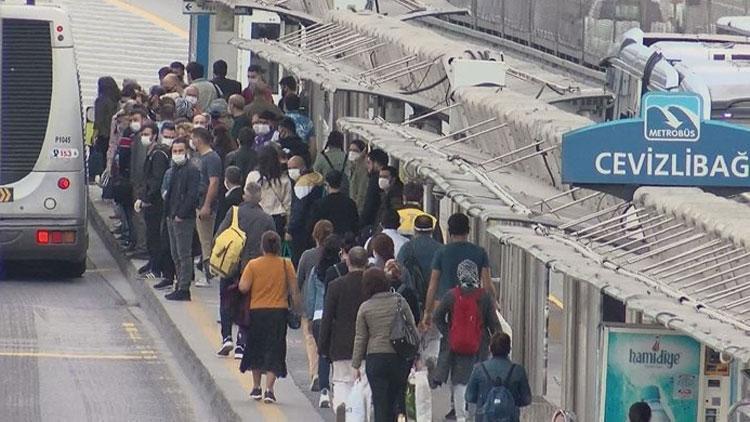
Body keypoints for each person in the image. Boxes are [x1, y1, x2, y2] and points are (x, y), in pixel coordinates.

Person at [238, 230, 303, 404]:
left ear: (262, 246)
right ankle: (269, 390)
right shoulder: (286, 264)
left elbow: (243, 287)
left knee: (256, 346)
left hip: (257, 311)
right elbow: (294, 290)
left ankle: (256, 387)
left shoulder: (253, 265)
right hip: (278, 313)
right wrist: (298, 309)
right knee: (275, 349)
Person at [433, 260, 501, 422]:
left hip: (456, 347)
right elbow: (494, 324)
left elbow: (437, 317)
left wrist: (449, 333)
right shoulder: (484, 296)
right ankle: (474, 415)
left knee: (459, 382)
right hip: (480, 347)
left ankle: (461, 417)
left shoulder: (452, 295)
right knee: (478, 381)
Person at [215, 180, 276, 358]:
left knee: (226, 299)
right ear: (260, 198)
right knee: (247, 304)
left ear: (244, 196)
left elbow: (220, 235)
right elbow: (273, 243)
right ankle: (242, 343)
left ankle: (227, 337)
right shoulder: (267, 218)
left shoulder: (233, 212)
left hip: (230, 264)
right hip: (253, 267)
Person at [352, 268, 417, 422]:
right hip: (399, 358)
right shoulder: (400, 301)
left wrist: (356, 365)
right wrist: (417, 355)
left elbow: (360, 338)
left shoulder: (365, 307)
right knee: (397, 399)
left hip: (376, 359)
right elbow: (412, 330)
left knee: (380, 402)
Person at [422, 213, 497, 330]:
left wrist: (427, 312)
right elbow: (487, 285)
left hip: (444, 307)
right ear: (468, 230)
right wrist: (493, 303)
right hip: (472, 307)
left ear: (449, 231)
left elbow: (433, 285)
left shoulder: (441, 253)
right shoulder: (480, 252)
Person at [318, 246, 367, 414]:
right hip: (367, 346)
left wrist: (323, 347)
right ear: (367, 263)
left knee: (341, 383)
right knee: (364, 388)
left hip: (340, 344)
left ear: (348, 262)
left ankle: (341, 406)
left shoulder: (335, 286)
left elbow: (327, 318)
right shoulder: (372, 285)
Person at [297, 220, 335, 392]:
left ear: (315, 235)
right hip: (332, 306)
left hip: (310, 306)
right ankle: (327, 373)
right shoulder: (336, 256)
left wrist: (295, 304)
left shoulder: (307, 256)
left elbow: (299, 280)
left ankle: (316, 373)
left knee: (311, 340)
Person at [306, 234, 343, 408]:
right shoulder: (342, 271)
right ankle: (338, 387)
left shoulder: (316, 271)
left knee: (323, 353)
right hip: (337, 317)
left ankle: (324, 391)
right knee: (339, 355)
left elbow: (311, 298)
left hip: (319, 316)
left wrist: (309, 317)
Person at [164, 138, 201, 301]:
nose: (177, 154)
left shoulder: (191, 170)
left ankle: (184, 287)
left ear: (186, 152)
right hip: (171, 216)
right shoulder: (174, 169)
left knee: (183, 253)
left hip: (183, 218)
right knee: (175, 253)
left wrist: (181, 214)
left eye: (180, 151)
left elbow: (192, 195)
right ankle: (179, 283)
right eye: (174, 151)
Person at [465, 332, 532, 421]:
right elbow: (527, 399)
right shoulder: (518, 370)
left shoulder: (479, 369)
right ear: (509, 349)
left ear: (490, 349)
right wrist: (513, 402)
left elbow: (469, 396)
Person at [136, 121, 171, 280]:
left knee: (155, 235)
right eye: (142, 134)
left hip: (155, 202)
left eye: (147, 134)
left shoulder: (157, 154)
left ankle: (156, 268)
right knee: (151, 234)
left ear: (155, 136)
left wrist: (146, 198)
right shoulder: (150, 152)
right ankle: (152, 263)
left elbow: (156, 180)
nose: (144, 137)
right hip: (150, 201)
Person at [191, 127, 223, 287]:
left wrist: (207, 205)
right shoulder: (201, 157)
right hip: (198, 202)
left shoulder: (212, 158)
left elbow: (214, 182)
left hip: (205, 205)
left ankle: (208, 274)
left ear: (198, 140)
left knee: (206, 241)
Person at [397, 214, 442, 310]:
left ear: (414, 229)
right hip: (435, 298)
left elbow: (399, 270)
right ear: (432, 230)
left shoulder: (407, 248)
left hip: (412, 298)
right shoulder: (441, 249)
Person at [286, 155, 325, 267]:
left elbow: (298, 210)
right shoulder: (317, 178)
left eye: (293, 168)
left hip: (301, 231)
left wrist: (290, 229)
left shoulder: (302, 185)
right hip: (315, 225)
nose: (290, 171)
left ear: (302, 167)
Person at [246, 145, 291, 236]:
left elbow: (247, 198)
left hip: (256, 217)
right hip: (277, 219)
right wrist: (287, 227)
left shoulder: (253, 176)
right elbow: (288, 204)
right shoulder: (284, 180)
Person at [310, 170, 359, 236]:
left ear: (327, 184)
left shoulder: (319, 204)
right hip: (345, 242)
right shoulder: (350, 203)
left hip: (326, 240)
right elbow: (355, 226)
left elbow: (312, 226)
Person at [92, 76, 120, 179]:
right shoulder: (117, 100)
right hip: (114, 132)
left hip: (104, 133)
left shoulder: (101, 100)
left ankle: (105, 178)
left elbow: (98, 120)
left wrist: (94, 135)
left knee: (103, 157)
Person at [361, 149, 389, 229]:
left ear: (376, 163)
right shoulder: (392, 178)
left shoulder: (374, 180)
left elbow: (370, 203)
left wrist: (362, 222)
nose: (367, 166)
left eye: (369, 163)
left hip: (374, 222)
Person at [346, 139, 370, 216]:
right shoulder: (353, 166)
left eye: (355, 150)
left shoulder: (363, 169)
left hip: (357, 210)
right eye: (350, 150)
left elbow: (361, 194)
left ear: (362, 152)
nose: (352, 152)